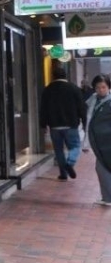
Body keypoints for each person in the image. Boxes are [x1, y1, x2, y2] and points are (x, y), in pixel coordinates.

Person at [41, 65, 87, 180]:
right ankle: (69, 163)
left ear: (53, 76)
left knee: (58, 151)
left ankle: (63, 174)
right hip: (71, 124)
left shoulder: (47, 89)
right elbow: (81, 107)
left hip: (54, 126)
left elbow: (43, 108)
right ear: (65, 75)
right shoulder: (74, 88)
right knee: (75, 146)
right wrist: (84, 121)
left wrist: (43, 124)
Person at [85, 75, 111, 204]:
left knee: (102, 168)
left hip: (107, 142)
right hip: (99, 141)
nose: (101, 90)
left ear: (109, 87)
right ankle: (107, 197)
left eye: (103, 87)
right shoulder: (93, 100)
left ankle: (108, 198)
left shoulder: (109, 103)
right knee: (103, 167)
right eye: (97, 87)